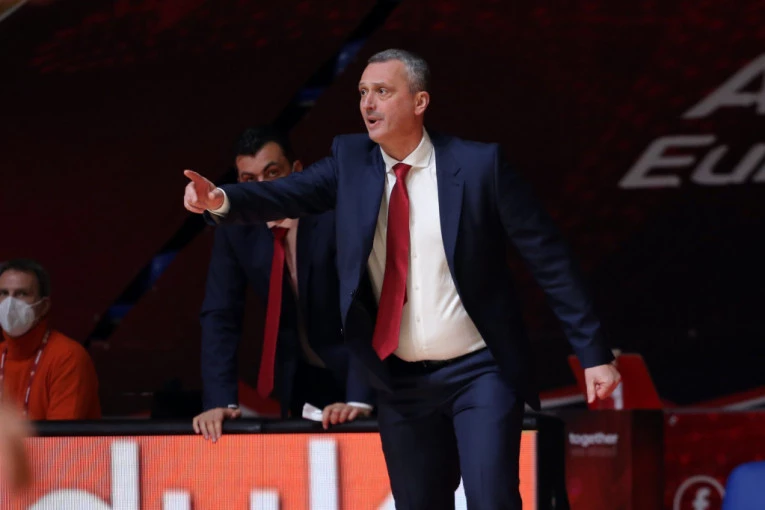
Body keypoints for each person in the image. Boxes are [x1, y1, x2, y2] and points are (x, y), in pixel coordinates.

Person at [183, 49, 621, 509]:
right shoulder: (349, 161)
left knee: (491, 499)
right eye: (362, 93)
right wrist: (220, 200)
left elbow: (550, 260)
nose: (368, 104)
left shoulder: (478, 166)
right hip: (399, 382)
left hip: (479, 370)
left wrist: (593, 353)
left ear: (419, 101)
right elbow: (286, 193)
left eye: (382, 92)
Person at [192, 127, 374, 442]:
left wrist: (359, 398)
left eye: (273, 173)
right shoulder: (235, 228)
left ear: (298, 172)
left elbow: (364, 303)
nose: (262, 188)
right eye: (249, 180)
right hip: (303, 374)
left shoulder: (333, 214)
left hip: (368, 370)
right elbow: (221, 315)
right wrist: (221, 401)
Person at [0, 259, 101, 421]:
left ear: (43, 306)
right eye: (3, 293)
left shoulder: (67, 357)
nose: (9, 303)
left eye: (22, 294)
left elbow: (61, 435)